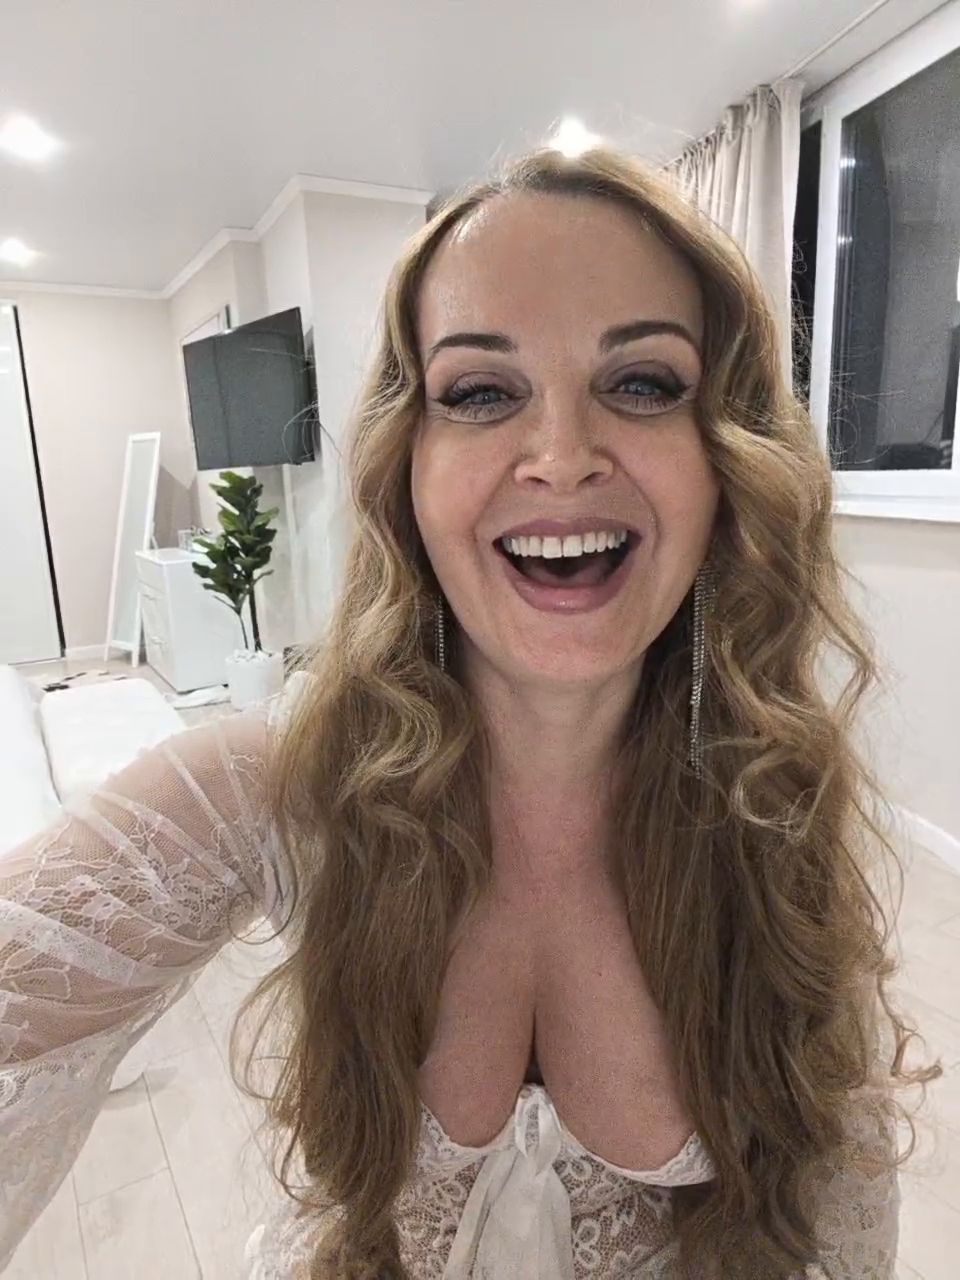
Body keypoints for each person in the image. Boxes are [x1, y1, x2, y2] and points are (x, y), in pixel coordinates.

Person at [0, 144, 938, 1280]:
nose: (561, 458)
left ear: (725, 460)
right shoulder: (271, 792)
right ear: (408, 466)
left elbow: (841, 1229)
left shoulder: (773, 805)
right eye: (482, 392)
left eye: (644, 383)